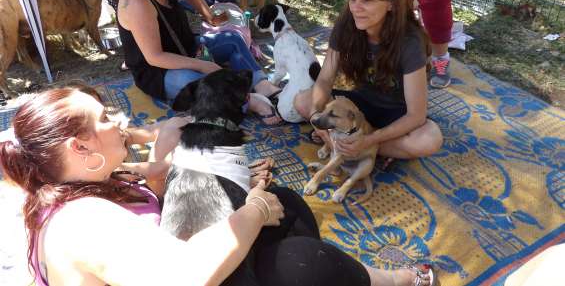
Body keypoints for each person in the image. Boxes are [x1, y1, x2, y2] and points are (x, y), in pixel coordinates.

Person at [0, 86, 435, 285]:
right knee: (301, 259)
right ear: (79, 147)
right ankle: (393, 281)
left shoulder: (74, 182)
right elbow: (184, 276)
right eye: (105, 119)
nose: (121, 121)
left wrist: (158, 172)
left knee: (285, 202)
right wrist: (252, 211)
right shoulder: (83, 221)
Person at [118, 0, 283, 125]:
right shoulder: (136, 3)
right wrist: (203, 65)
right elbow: (155, 57)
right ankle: (248, 101)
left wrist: (209, 16)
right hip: (158, 72)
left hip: (186, 48)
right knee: (195, 80)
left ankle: (262, 85)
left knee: (233, 39)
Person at [295, 0, 443, 161]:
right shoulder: (347, 24)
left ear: (391, 2)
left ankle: (351, 145)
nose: (357, 8)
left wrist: (369, 140)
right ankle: (355, 146)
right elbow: (324, 80)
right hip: (359, 106)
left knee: (429, 140)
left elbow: (416, 115)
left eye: (367, 0)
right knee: (303, 101)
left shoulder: (410, 41)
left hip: (396, 112)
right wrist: (314, 117)